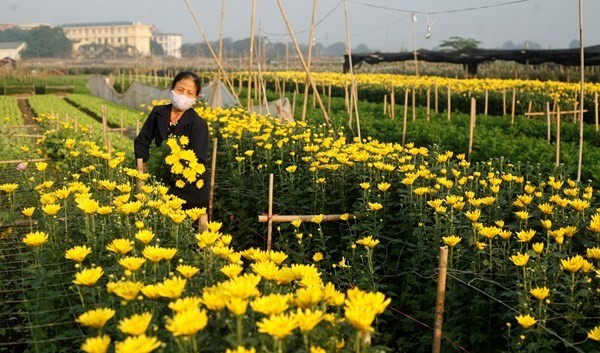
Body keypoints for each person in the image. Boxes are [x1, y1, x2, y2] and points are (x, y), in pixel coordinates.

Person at [134, 71, 209, 231]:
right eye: (180, 90)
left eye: (189, 93)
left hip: (189, 192)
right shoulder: (158, 113)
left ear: (195, 98)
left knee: (190, 239)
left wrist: (174, 168)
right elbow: (141, 141)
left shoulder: (198, 124)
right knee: (163, 234)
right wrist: (144, 164)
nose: (183, 95)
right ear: (172, 88)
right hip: (162, 187)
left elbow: (199, 161)